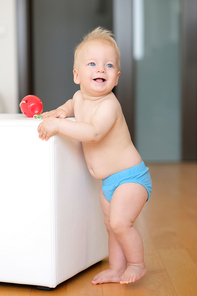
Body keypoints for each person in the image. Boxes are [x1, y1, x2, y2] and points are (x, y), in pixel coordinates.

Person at [37, 27, 152, 285]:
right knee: (111, 226)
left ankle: (137, 263)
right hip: (109, 183)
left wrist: (58, 126)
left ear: (117, 77)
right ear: (77, 75)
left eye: (109, 65)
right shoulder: (79, 97)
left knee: (121, 223)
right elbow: (70, 105)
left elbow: (93, 132)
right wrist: (60, 112)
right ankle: (116, 268)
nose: (101, 69)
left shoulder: (109, 104)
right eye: (92, 64)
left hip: (130, 178)